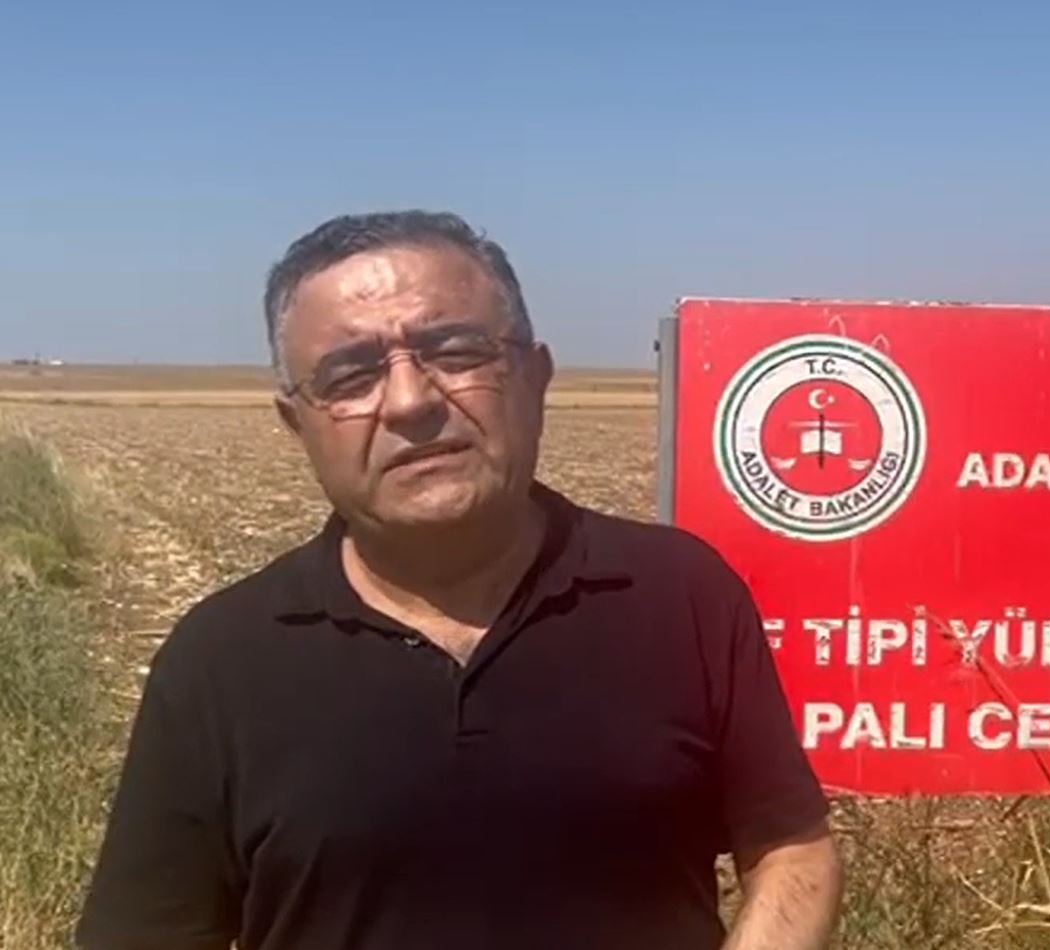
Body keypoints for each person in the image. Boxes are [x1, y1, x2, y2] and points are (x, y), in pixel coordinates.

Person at [75, 210, 843, 949]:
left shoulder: (681, 596)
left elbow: (793, 848)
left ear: (536, 377)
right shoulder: (220, 660)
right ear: (296, 423)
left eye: (455, 352)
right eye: (352, 375)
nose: (411, 402)